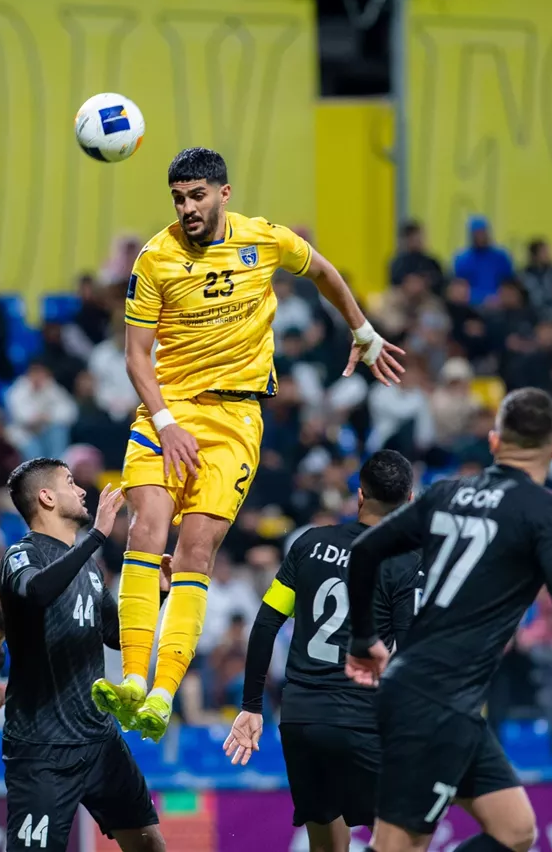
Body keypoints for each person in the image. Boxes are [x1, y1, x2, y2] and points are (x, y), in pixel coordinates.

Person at [95, 147, 405, 741]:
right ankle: (133, 678)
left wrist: (362, 330)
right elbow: (136, 355)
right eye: (178, 198)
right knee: (144, 529)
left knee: (196, 551)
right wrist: (165, 422)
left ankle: (163, 693)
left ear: (223, 193)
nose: (187, 208)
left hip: (236, 418)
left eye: (197, 196)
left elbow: (323, 271)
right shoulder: (155, 259)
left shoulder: (264, 240)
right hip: (169, 411)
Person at [344, 388, 552, 852]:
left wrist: (363, 638)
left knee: (514, 831)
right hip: (435, 702)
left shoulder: (446, 492)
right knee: (399, 847)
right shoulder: (549, 511)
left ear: (496, 442)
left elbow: (364, 552)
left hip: (441, 700)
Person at [224, 450, 423, 852]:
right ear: (410, 502)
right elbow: (411, 653)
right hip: (361, 720)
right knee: (408, 834)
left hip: (301, 720)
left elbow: (265, 624)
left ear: (360, 496)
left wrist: (251, 705)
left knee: (327, 844)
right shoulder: (405, 563)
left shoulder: (309, 544)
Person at [1, 458, 167, 852]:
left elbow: (113, 634)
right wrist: (96, 537)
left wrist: (159, 594)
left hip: (98, 739)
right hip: (43, 747)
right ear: (46, 497)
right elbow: (37, 592)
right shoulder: (21, 556)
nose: (81, 491)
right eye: (70, 482)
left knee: (149, 844)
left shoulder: (88, 567)